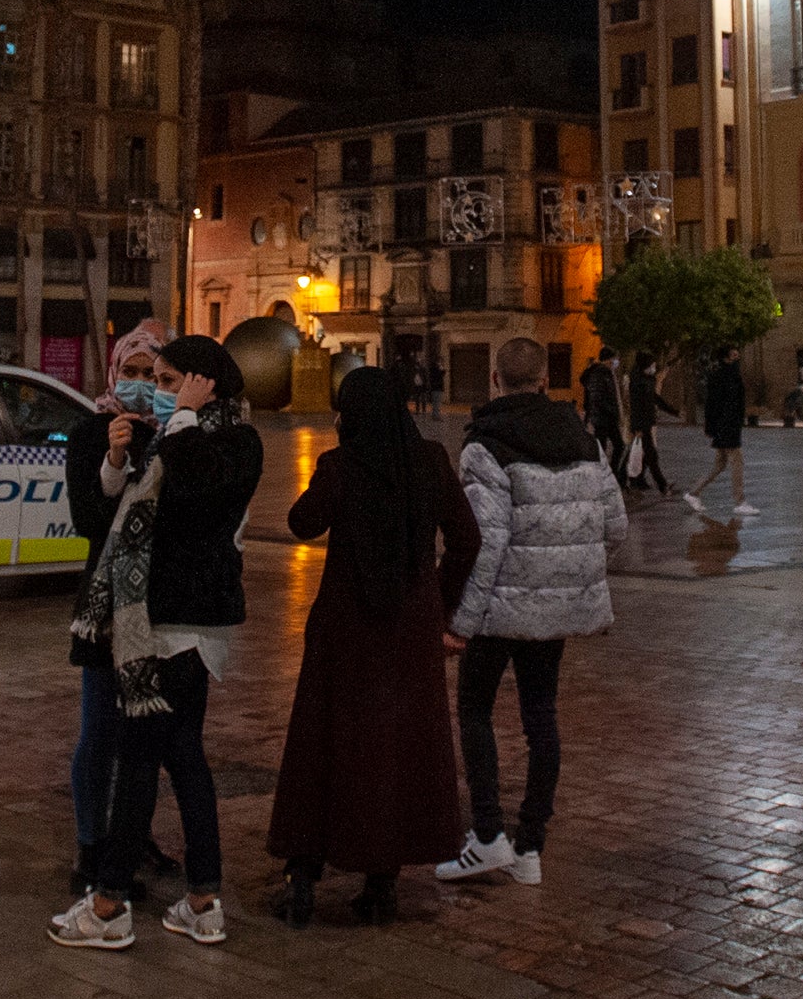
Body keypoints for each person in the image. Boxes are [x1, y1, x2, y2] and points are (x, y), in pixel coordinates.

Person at [51, 335, 263, 950]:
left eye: (171, 380)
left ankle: (109, 904)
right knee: (183, 757)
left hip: (181, 623)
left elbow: (198, 498)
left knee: (143, 758)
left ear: (204, 384)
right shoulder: (173, 436)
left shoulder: (232, 440)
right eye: (156, 379)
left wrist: (187, 417)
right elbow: (114, 513)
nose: (160, 392)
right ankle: (203, 899)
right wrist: (121, 459)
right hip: (160, 619)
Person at [267, 366, 480, 926]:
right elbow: (467, 538)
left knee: (327, 739)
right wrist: (439, 597)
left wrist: (323, 481)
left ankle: (305, 870)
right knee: (397, 743)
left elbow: (301, 523)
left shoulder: (340, 466)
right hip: (410, 625)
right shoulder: (429, 462)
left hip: (346, 624)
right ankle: (381, 881)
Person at [440, 335, 622, 886]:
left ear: (495, 379)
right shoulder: (585, 441)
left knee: (475, 709)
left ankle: (489, 836)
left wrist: (460, 622)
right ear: (546, 381)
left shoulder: (484, 447)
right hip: (553, 611)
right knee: (541, 718)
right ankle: (531, 848)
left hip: (498, 611)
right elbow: (615, 527)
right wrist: (563, 573)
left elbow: (485, 543)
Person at [63, 324, 175, 889]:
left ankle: (131, 835)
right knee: (100, 730)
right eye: (128, 374)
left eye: (149, 377)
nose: (136, 386)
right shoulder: (89, 433)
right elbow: (88, 520)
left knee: (144, 736)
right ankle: (90, 846)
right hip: (106, 608)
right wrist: (113, 459)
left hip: (158, 605)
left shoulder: (172, 436)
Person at [690, 346, 749, 520]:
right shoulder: (721, 377)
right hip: (726, 427)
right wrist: (710, 427)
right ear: (726, 358)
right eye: (734, 354)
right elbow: (712, 404)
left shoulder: (734, 376)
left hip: (730, 426)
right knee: (737, 462)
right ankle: (739, 502)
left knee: (719, 465)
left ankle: (694, 493)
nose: (737, 357)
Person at [623, 348, 676, 498]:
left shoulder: (647, 380)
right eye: (651, 365)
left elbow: (655, 399)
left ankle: (635, 481)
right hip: (641, 425)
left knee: (643, 455)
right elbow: (636, 405)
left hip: (647, 422)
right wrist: (636, 427)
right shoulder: (636, 382)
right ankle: (661, 486)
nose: (653, 367)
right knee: (649, 455)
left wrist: (672, 411)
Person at [581, 349, 627, 462]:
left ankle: (611, 473)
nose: (615, 362)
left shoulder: (608, 373)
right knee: (604, 449)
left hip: (607, 418)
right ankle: (606, 474)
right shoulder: (599, 374)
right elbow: (597, 398)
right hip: (602, 418)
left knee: (617, 446)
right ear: (607, 360)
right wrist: (612, 411)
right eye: (613, 359)